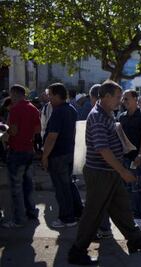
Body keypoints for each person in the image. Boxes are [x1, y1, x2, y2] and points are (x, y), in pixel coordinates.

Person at [68, 81, 141, 266]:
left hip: (109, 172)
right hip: (100, 173)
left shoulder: (106, 112)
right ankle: (77, 251)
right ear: (106, 97)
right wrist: (123, 171)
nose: (120, 101)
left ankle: (135, 240)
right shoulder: (98, 116)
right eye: (117, 97)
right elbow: (103, 149)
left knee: (122, 207)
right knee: (93, 213)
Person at [42, 83, 83, 228]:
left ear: (57, 95)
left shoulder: (58, 111)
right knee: (69, 186)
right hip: (69, 153)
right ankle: (78, 213)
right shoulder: (71, 109)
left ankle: (67, 218)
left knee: (62, 188)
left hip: (58, 155)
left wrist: (44, 156)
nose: (49, 97)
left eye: (50, 94)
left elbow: (52, 137)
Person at [2, 85, 40, 228]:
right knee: (28, 184)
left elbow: (13, 130)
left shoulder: (15, 109)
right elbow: (37, 129)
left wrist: (6, 134)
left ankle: (18, 219)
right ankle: (31, 212)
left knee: (16, 187)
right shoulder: (33, 108)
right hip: (29, 150)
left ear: (14, 94)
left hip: (16, 150)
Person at [119, 89, 141, 229]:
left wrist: (140, 155)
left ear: (135, 99)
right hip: (124, 159)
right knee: (126, 189)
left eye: (127, 98)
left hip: (137, 159)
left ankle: (138, 218)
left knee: (138, 189)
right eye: (123, 99)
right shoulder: (122, 117)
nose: (124, 101)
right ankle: (129, 217)